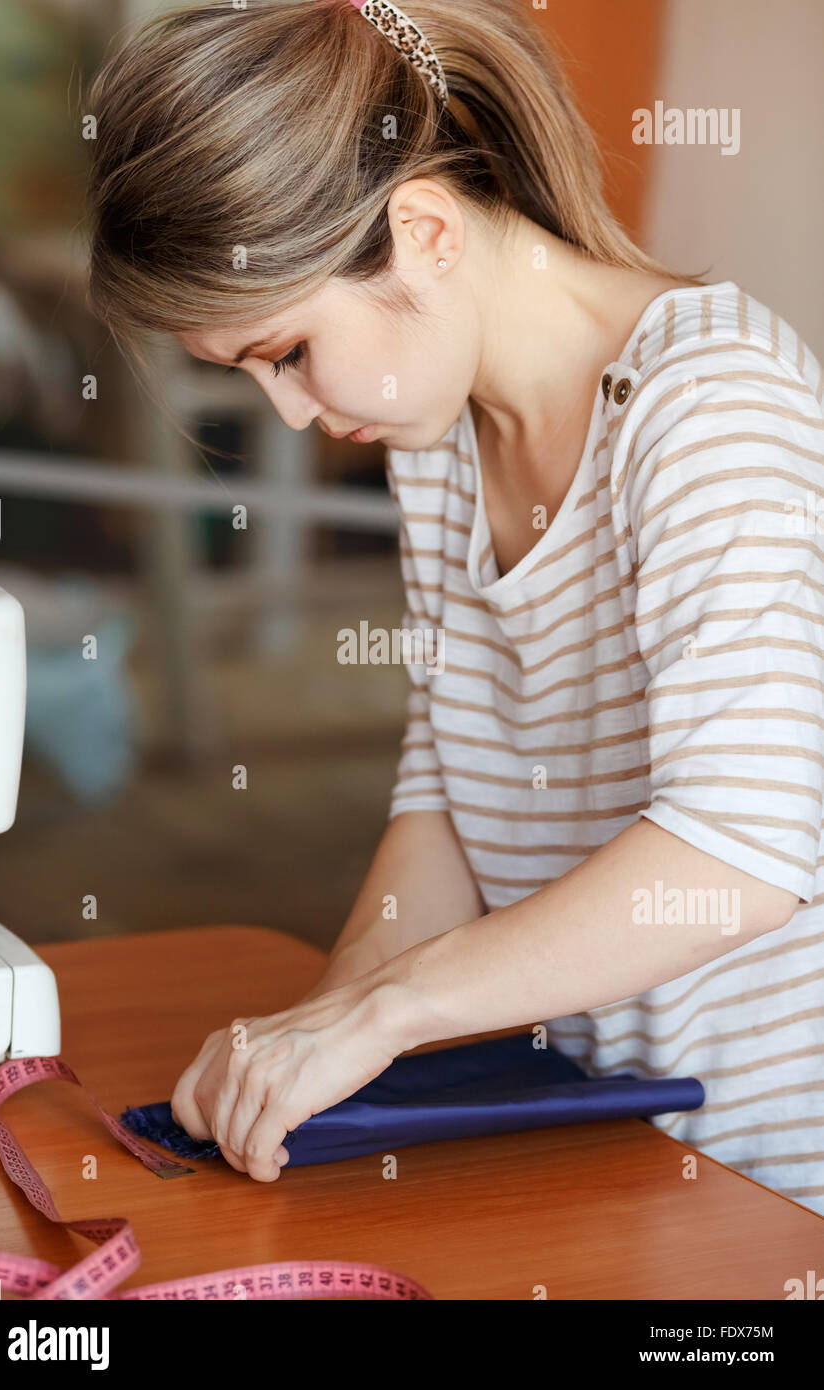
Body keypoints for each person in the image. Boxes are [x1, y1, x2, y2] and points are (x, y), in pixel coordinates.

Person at [85, 0, 824, 1212]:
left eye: (285, 354)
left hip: (768, 1171)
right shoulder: (440, 438)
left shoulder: (708, 413)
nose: (287, 416)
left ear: (421, 228)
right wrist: (321, 1031)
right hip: (605, 1117)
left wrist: (392, 1009)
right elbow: (451, 790)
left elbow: (738, 850)